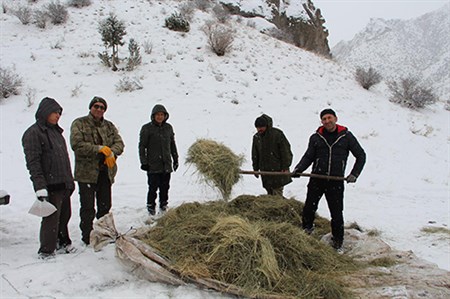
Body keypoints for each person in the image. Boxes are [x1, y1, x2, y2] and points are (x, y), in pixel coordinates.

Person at [294, 108, 366, 252]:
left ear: (335, 118)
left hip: (335, 181)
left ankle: (338, 242)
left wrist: (354, 174)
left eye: (329, 118)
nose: (327, 121)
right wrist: (299, 169)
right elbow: (309, 156)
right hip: (317, 178)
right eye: (324, 119)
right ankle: (307, 231)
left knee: (336, 213)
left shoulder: (346, 136)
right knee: (309, 208)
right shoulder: (316, 137)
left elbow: (361, 155)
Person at [22, 97, 76, 259]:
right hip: (50, 184)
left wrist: (70, 181)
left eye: (59, 113)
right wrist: (40, 187)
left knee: (64, 215)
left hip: (64, 182)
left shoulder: (56, 132)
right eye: (54, 112)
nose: (58, 116)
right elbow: (33, 163)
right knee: (50, 219)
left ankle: (63, 242)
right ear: (44, 112)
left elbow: (63, 158)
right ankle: (46, 250)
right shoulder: (33, 133)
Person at [70, 96, 124, 245]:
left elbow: (119, 143)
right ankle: (87, 236)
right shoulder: (79, 123)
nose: (99, 109)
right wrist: (99, 149)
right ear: (91, 107)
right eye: (96, 106)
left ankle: (105, 234)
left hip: (105, 173)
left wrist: (112, 152)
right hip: (87, 174)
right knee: (87, 208)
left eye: (102, 107)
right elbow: (77, 145)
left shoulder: (109, 125)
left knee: (105, 206)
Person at [139, 104, 179, 216]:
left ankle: (163, 205)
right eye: (157, 115)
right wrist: (144, 162)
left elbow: (172, 144)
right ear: (153, 116)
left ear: (165, 116)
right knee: (153, 187)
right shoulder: (147, 128)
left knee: (165, 187)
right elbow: (142, 146)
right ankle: (151, 207)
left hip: (166, 164)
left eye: (162, 114)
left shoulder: (168, 128)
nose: (160, 117)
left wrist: (175, 159)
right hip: (153, 165)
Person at [251, 114, 293, 196]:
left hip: (278, 170)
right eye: (257, 127)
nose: (259, 129)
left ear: (266, 126)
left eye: (261, 127)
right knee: (269, 193)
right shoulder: (257, 137)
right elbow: (255, 154)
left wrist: (285, 167)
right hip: (265, 171)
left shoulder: (277, 134)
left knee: (277, 193)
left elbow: (286, 151)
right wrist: (255, 168)